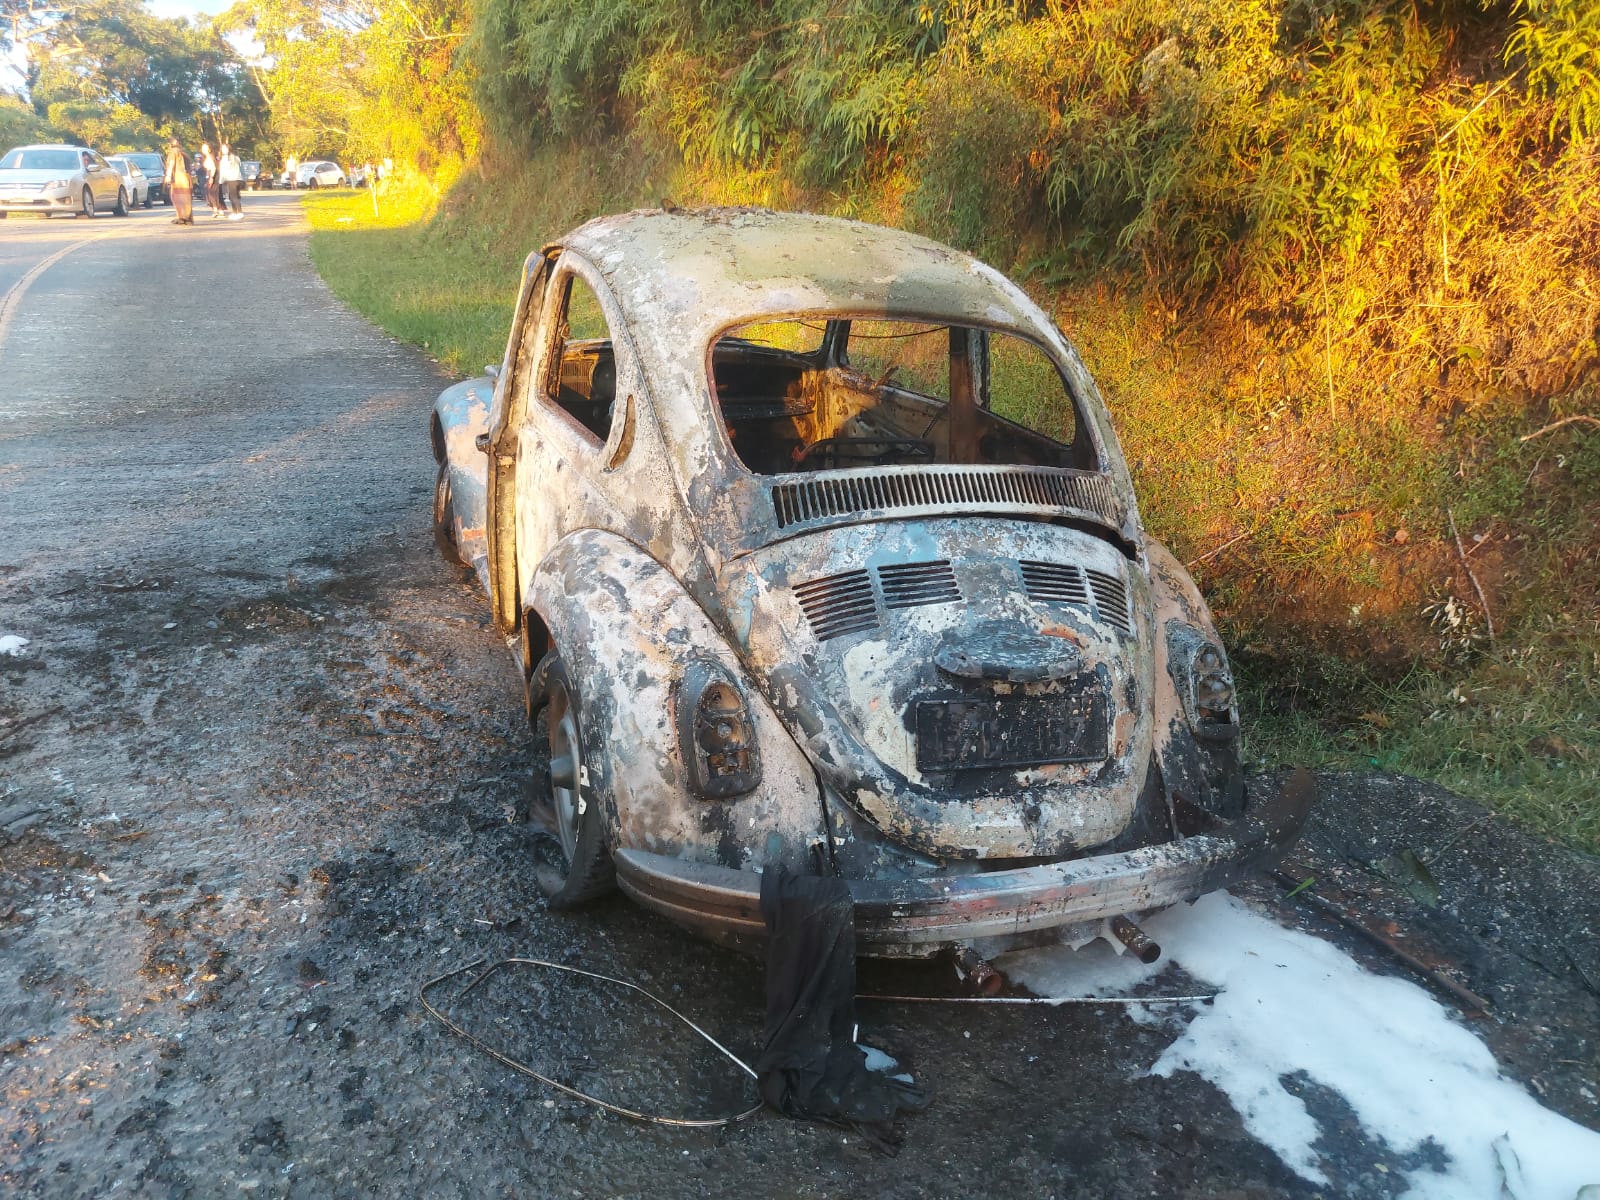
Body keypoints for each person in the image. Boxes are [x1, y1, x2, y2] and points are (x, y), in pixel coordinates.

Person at [164, 137, 194, 225]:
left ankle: (181, 217)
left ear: (170, 144)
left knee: (176, 197)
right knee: (186, 198)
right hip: (186, 177)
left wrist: (168, 176)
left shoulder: (173, 152)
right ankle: (187, 218)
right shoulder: (184, 154)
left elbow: (172, 163)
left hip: (178, 178)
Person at [217, 143, 243, 219]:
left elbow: (223, 171)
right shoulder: (236, 157)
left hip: (231, 179)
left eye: (225, 148)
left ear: (229, 149)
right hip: (238, 178)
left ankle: (239, 212)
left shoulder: (225, 159)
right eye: (222, 148)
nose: (223, 150)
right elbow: (240, 166)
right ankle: (235, 212)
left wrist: (220, 181)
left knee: (233, 197)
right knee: (235, 196)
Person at [199, 143, 221, 217]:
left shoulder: (210, 157)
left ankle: (215, 210)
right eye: (202, 148)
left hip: (212, 176)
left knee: (211, 194)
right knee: (211, 194)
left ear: (209, 149)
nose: (203, 150)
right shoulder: (206, 157)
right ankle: (217, 209)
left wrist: (211, 178)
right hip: (209, 176)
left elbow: (213, 168)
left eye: (205, 148)